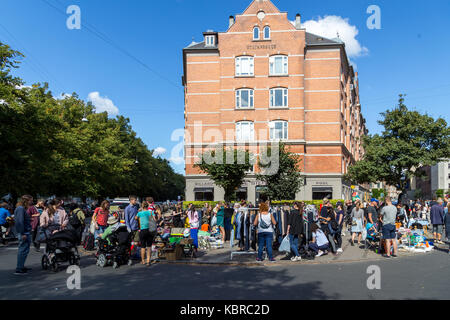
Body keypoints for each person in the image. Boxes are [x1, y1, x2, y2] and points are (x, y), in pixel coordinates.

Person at [14, 195, 33, 275]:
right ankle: (19, 268)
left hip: (25, 232)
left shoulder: (21, 208)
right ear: (26, 201)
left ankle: (21, 266)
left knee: (24, 250)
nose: (31, 202)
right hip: (24, 232)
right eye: (31, 200)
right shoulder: (21, 209)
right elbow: (19, 222)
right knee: (23, 250)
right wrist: (23, 233)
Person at [135, 201, 156, 265]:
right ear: (148, 206)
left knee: (143, 246)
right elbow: (155, 220)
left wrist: (140, 212)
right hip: (150, 230)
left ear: (142, 206)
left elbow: (135, 218)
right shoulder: (151, 212)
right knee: (149, 246)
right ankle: (148, 261)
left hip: (143, 230)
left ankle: (143, 260)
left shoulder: (140, 213)